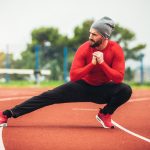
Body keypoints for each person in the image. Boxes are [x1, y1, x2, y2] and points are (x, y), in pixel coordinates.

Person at [0, 16, 132, 128]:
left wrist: (102, 63)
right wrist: (91, 65)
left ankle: (105, 114)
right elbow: (74, 76)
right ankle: (7, 114)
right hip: (82, 86)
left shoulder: (116, 50)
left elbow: (118, 78)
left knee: (125, 90)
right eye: (90, 33)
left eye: (94, 34)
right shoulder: (84, 48)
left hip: (102, 89)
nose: (90, 37)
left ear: (104, 36)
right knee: (47, 96)